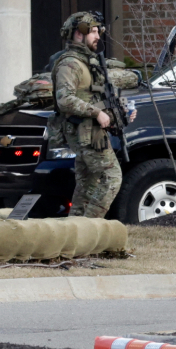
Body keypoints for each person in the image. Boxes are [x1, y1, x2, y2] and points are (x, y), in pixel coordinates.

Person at [48, 11, 122, 219]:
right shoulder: (69, 64)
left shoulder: (87, 62)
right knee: (112, 177)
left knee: (87, 184)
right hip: (83, 131)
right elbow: (65, 99)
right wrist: (97, 113)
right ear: (79, 34)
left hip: (91, 132)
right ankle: (89, 227)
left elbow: (94, 95)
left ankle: (76, 231)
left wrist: (117, 114)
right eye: (93, 32)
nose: (98, 36)